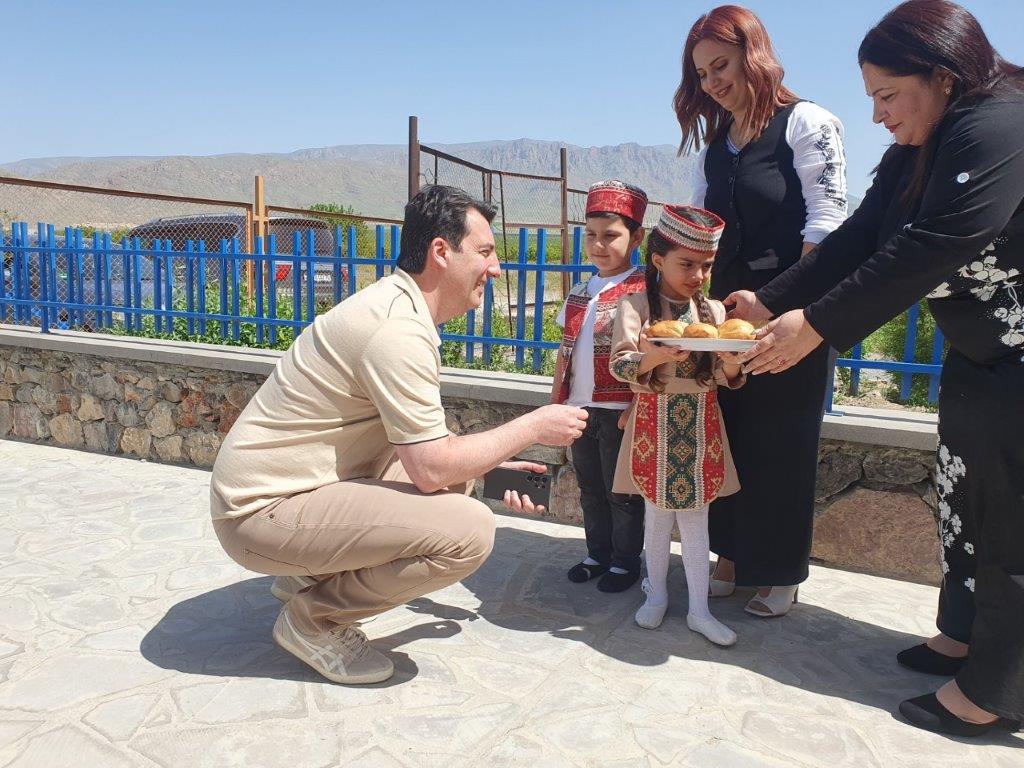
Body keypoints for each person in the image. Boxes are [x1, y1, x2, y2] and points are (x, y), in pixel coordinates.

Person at [730, 0, 1023, 736]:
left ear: (945, 76)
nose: (880, 116)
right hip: (981, 356)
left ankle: (996, 691)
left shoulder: (1001, 125)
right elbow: (859, 238)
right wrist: (766, 304)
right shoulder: (917, 149)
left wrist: (819, 325)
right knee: (968, 505)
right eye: (873, 99)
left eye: (889, 96)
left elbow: (936, 241)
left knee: (1016, 522)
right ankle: (962, 637)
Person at [210, 185, 589, 685]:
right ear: (440, 252)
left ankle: (309, 573)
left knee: (458, 483)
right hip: (257, 514)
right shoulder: (395, 330)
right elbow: (431, 467)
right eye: (485, 252)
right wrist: (533, 426)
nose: (495, 268)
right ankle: (314, 620)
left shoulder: (396, 307)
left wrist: (488, 466)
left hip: (291, 490)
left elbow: (420, 445)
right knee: (468, 531)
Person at [673, 4, 849, 616]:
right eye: (701, 73)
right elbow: (702, 232)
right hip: (725, 323)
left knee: (782, 438)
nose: (712, 82)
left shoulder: (808, 122)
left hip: (791, 317)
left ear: (755, 54)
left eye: (720, 65)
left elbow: (827, 228)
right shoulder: (716, 146)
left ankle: (779, 570)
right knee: (729, 435)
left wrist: (779, 303)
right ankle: (731, 554)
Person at [609, 205, 745, 646]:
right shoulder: (635, 306)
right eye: (687, 264)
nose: (698, 276)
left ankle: (700, 610)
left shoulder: (715, 317)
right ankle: (657, 595)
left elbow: (729, 379)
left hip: (702, 421)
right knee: (656, 516)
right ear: (657, 260)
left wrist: (729, 363)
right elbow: (621, 365)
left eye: (706, 266)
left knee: (696, 518)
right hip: (654, 422)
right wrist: (656, 356)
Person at [552, 180, 648, 593]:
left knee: (621, 492)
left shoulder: (646, 290)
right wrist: (554, 405)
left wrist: (638, 405)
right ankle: (598, 554)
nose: (598, 245)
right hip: (577, 408)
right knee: (590, 487)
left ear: (636, 237)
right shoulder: (579, 290)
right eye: (591, 235)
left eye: (610, 236)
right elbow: (564, 351)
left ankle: (626, 562)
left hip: (619, 411)